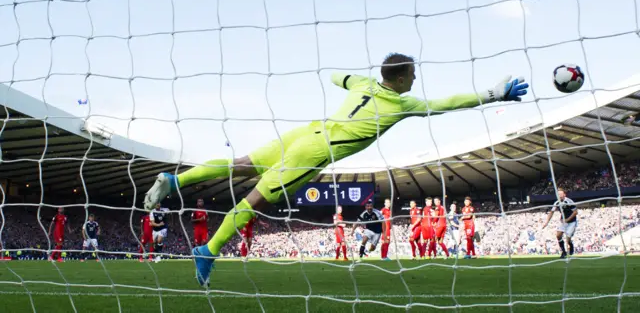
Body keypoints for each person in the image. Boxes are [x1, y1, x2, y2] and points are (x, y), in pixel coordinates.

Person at [143, 53, 528, 286]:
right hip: (315, 151)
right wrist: (492, 95)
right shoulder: (401, 103)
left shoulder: (362, 82)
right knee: (255, 198)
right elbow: (446, 104)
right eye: (411, 76)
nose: (414, 81)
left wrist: (356, 81)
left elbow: (333, 76)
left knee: (241, 164)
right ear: (397, 78)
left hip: (306, 130)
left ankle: (176, 179)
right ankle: (208, 251)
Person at [541, 188, 578, 259]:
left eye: (561, 194)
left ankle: (571, 246)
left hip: (572, 222)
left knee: (568, 239)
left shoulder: (569, 201)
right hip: (563, 222)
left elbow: (575, 212)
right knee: (558, 235)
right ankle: (563, 252)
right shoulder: (557, 203)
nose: (560, 195)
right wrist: (546, 222)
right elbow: (551, 212)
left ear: (564, 194)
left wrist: (567, 219)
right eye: (558, 194)